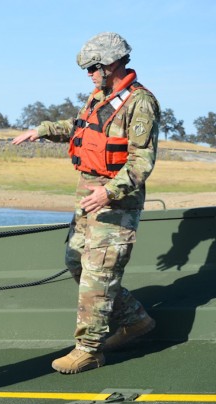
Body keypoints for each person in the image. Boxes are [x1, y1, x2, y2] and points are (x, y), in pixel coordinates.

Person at [12, 32, 160, 374]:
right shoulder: (99, 96)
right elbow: (80, 127)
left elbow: (141, 163)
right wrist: (43, 130)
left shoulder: (140, 103)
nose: (89, 73)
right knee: (76, 261)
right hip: (87, 194)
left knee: (99, 272)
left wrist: (108, 192)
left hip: (115, 201)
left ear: (112, 64)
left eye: (93, 67)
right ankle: (135, 320)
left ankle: (89, 349)